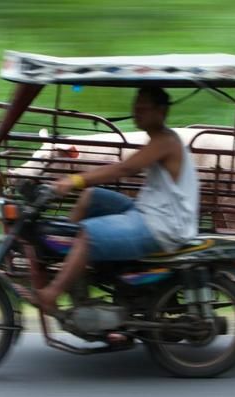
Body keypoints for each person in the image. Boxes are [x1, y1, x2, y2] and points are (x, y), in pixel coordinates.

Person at [36, 87, 199, 313]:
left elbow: (124, 168)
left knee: (88, 233)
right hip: (147, 212)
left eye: (143, 108)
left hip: (161, 226)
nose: (137, 112)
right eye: (136, 107)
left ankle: (52, 293)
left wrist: (73, 180)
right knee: (91, 197)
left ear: (161, 111)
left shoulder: (166, 141)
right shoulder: (160, 140)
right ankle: (71, 266)